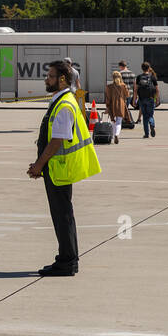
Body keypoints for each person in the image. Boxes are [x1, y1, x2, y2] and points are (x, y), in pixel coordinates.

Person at [27, 59, 100, 276]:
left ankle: (67, 262)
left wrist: (39, 165)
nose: (46, 80)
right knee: (62, 214)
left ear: (61, 79)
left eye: (49, 76)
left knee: (62, 215)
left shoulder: (65, 104)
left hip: (58, 168)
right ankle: (67, 258)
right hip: (56, 167)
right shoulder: (63, 100)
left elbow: (58, 139)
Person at [136, 61, 160, 138]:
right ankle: (152, 124)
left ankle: (146, 134)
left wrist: (134, 100)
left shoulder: (139, 77)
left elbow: (136, 89)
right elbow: (157, 90)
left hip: (142, 99)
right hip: (150, 98)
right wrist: (156, 99)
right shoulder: (152, 77)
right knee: (150, 115)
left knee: (145, 116)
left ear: (142, 68)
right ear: (149, 68)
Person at [105, 70, 127, 145]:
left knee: (113, 121)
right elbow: (127, 95)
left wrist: (107, 106)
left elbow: (108, 97)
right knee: (119, 122)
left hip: (112, 105)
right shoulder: (123, 86)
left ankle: (114, 135)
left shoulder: (109, 86)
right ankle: (116, 134)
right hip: (121, 105)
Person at [118, 60, 136, 128]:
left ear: (120, 66)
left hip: (122, 94)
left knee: (122, 108)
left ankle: (125, 121)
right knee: (126, 107)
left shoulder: (120, 74)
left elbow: (119, 85)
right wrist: (135, 96)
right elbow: (135, 86)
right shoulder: (132, 74)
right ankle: (126, 121)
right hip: (130, 94)